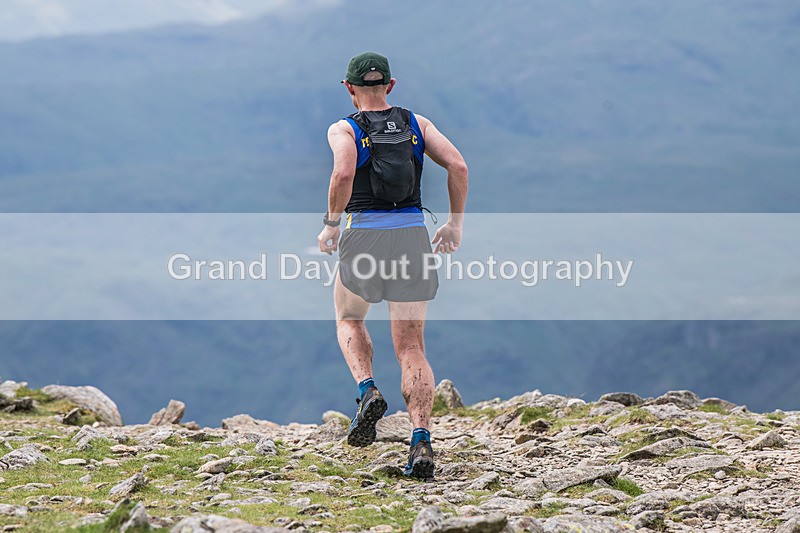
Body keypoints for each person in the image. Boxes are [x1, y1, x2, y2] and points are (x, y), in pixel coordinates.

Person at [317, 51, 468, 479]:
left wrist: (331, 225)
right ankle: (420, 441)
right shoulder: (416, 124)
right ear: (391, 85)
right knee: (411, 347)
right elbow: (458, 165)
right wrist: (454, 225)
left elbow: (343, 175)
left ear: (349, 88)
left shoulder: (344, 128)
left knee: (349, 318)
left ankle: (367, 389)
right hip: (412, 238)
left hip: (364, 236)